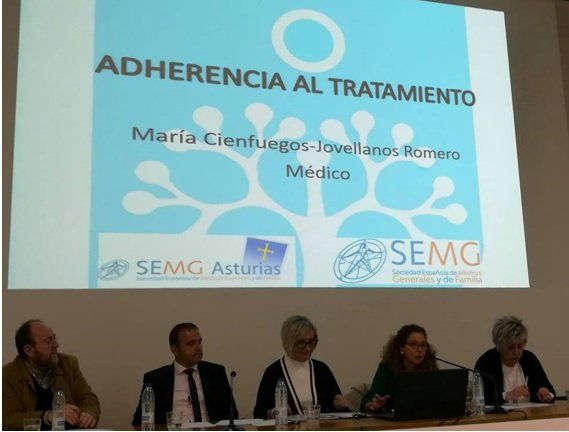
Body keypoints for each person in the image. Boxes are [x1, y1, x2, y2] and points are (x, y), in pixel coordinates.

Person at [132, 322, 237, 427]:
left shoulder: (215, 373)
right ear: (175, 350)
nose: (198, 348)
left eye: (199, 342)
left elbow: (233, 415)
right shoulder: (156, 379)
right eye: (191, 344)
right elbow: (139, 422)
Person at [2, 319, 100, 430]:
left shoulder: (68, 364)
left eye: (54, 338)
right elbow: (7, 419)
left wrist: (88, 413)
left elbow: (87, 397)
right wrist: (47, 416)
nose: (56, 345)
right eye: (48, 341)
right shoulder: (8, 375)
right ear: (29, 350)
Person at [253, 315, 350, 418]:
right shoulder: (273, 372)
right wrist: (274, 412)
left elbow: (337, 408)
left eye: (311, 342)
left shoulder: (322, 369)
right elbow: (259, 413)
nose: (307, 348)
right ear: (288, 342)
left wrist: (339, 406)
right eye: (301, 343)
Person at [474, 316, 555, 404]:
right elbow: (481, 397)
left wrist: (546, 395)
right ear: (500, 347)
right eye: (510, 347)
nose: (516, 352)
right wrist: (507, 395)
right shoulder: (486, 362)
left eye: (520, 346)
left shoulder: (529, 359)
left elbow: (550, 391)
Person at [360, 324, 438, 413]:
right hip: (395, 420)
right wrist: (372, 405)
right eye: (413, 344)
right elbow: (371, 397)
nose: (420, 350)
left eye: (423, 345)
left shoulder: (430, 368)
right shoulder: (387, 369)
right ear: (401, 348)